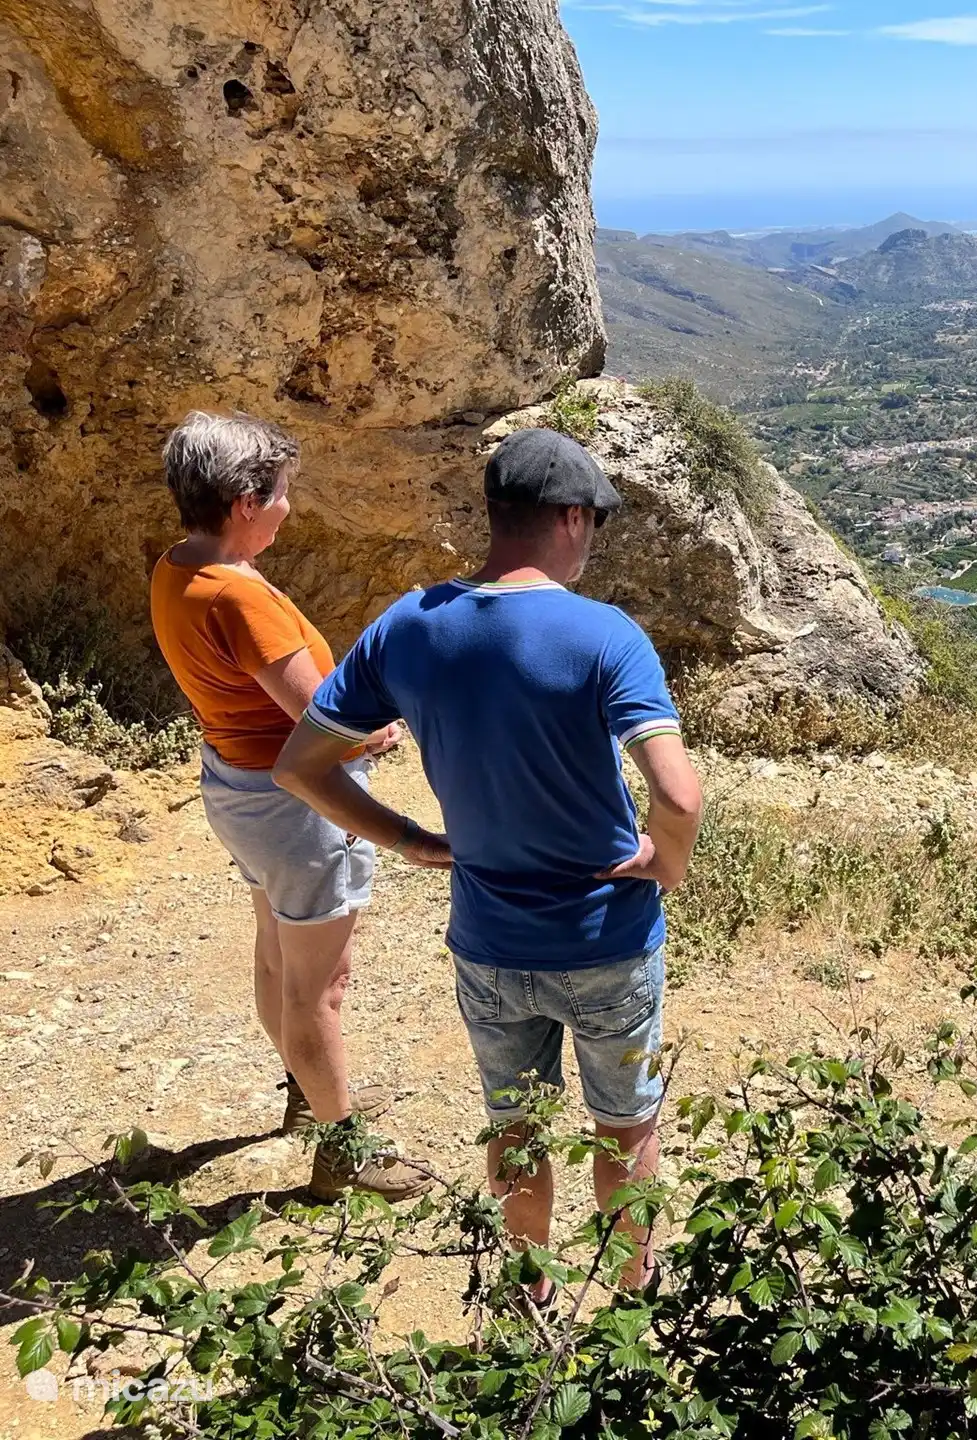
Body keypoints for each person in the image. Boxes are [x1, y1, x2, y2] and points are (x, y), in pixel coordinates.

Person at [274, 425, 704, 1295]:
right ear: (573, 518)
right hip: (606, 943)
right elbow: (681, 796)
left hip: (488, 938)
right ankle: (629, 1295)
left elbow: (298, 765)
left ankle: (526, 1293)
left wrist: (406, 839)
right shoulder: (605, 636)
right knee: (625, 1129)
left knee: (515, 1130)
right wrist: (667, 863)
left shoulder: (409, 626)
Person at [148, 411, 445, 1201]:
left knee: (278, 953)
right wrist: (382, 728)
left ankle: (311, 1100)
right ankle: (343, 1152)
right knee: (322, 986)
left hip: (236, 789)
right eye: (280, 493)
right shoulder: (243, 600)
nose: (288, 507)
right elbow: (329, 733)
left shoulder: (177, 568)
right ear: (245, 499)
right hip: (297, 808)